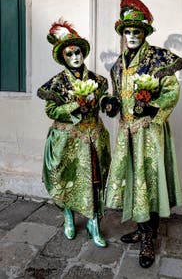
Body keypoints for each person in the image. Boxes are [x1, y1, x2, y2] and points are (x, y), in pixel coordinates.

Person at [105, 0, 182, 267]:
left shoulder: (159, 58)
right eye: (127, 32)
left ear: (144, 33)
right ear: (122, 34)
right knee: (133, 181)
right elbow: (116, 97)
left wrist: (153, 109)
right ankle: (142, 229)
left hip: (149, 133)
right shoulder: (117, 66)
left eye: (136, 31)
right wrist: (110, 103)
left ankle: (150, 238)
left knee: (148, 182)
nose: (131, 36)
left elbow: (171, 90)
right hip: (127, 134)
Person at [37, 18, 118, 247]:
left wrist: (108, 103)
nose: (75, 58)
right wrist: (74, 105)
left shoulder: (97, 80)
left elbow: (102, 99)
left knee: (94, 181)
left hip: (93, 139)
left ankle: (94, 222)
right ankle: (69, 217)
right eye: (69, 54)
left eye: (78, 53)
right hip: (66, 142)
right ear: (63, 57)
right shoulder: (56, 84)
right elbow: (51, 110)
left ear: (83, 53)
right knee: (66, 180)